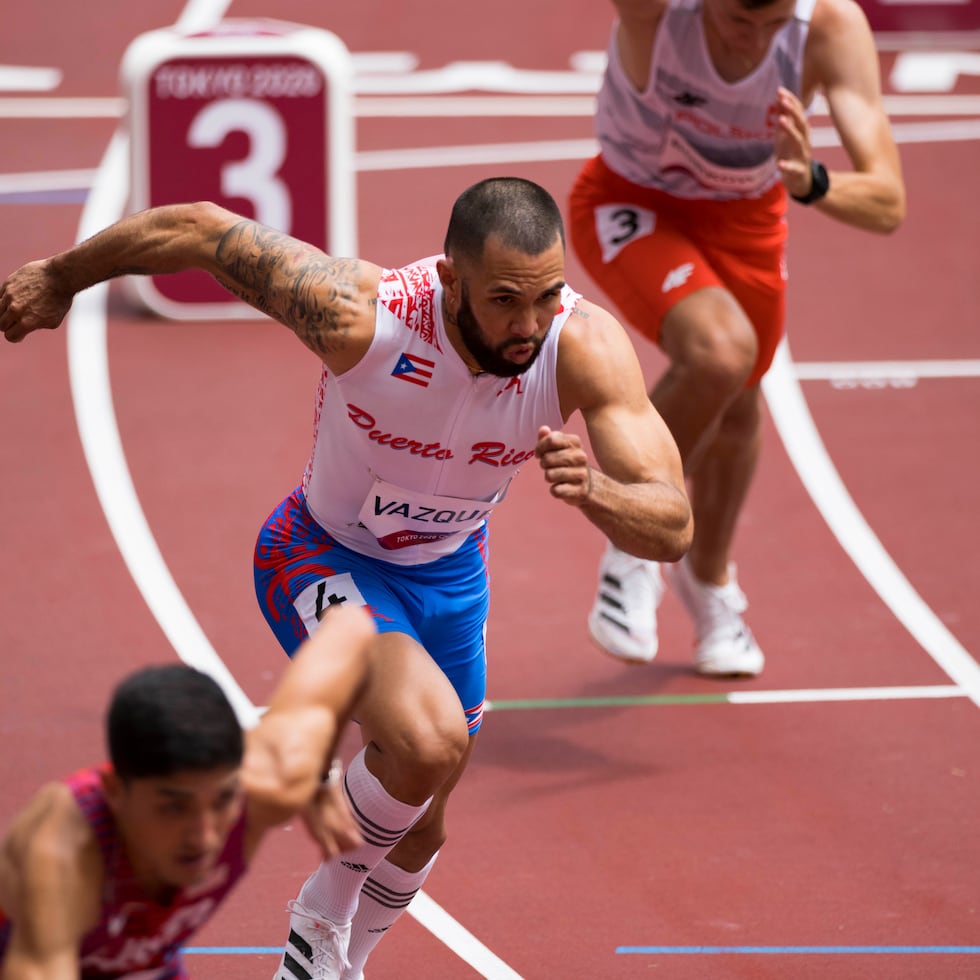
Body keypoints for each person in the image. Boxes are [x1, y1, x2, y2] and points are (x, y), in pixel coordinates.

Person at [0, 176, 693, 980]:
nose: (529, 324)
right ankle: (316, 929)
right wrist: (60, 277)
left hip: (451, 578)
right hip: (320, 553)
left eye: (547, 295)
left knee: (423, 820)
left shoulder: (581, 348)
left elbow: (671, 522)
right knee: (426, 742)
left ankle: (345, 960)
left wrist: (598, 491)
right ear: (448, 278)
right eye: (505, 300)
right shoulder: (365, 315)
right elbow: (197, 229)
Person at [569, 0, 906, 676]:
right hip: (633, 201)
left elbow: (888, 201)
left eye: (771, 25)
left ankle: (711, 583)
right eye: (735, 20)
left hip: (748, 218)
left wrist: (812, 181)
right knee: (720, 352)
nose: (751, 40)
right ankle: (635, 541)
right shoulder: (657, 13)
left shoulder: (829, 27)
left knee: (739, 401)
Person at [0, 603, 375, 980]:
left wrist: (320, 776)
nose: (204, 836)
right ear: (115, 792)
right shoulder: (62, 858)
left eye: (222, 801)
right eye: (173, 809)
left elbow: (349, 628)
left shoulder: (265, 784)